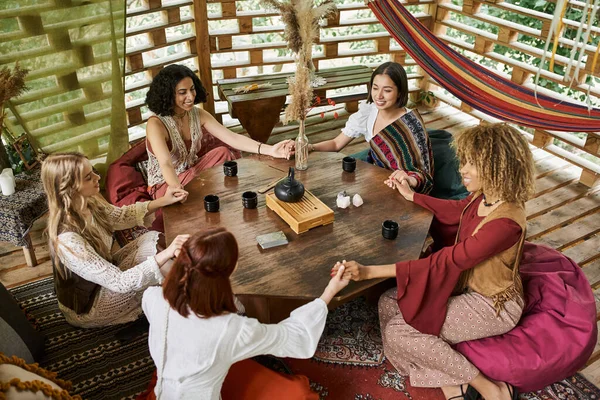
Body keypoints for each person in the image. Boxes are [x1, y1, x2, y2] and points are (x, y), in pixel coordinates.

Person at [331, 124, 535, 400]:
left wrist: (369, 271)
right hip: (463, 286)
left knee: (398, 334)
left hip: (492, 304)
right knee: (387, 303)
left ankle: (492, 389)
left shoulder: (505, 223)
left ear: (495, 166)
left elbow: (447, 261)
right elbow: (457, 210)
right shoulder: (485, 196)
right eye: (464, 161)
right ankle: (450, 381)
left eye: (472, 163)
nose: (463, 169)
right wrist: (412, 196)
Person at [142, 228, 350, 399]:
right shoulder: (231, 329)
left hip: (165, 391)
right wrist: (329, 292)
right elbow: (294, 336)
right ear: (226, 275)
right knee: (299, 394)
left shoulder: (153, 298)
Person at [42, 152, 190, 328]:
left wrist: (163, 200)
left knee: (152, 241)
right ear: (70, 188)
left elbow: (121, 216)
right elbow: (120, 283)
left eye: (94, 171)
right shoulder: (67, 241)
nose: (98, 177)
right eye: (89, 177)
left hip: (108, 273)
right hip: (91, 305)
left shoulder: (89, 201)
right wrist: (165, 255)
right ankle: (193, 300)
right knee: (161, 259)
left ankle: (187, 291)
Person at [145, 64, 294, 199]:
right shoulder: (156, 124)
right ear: (168, 94)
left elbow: (232, 137)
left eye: (192, 89)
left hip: (192, 172)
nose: (190, 96)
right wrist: (177, 190)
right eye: (182, 92)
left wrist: (271, 150)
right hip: (166, 185)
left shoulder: (197, 114)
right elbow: (166, 163)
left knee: (222, 151)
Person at [308, 61, 434, 194]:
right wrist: (308, 147)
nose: (379, 96)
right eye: (375, 88)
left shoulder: (411, 124)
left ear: (399, 92)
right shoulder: (368, 113)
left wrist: (408, 179)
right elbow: (336, 144)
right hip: (378, 180)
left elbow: (425, 176)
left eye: (387, 90)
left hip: (405, 189)